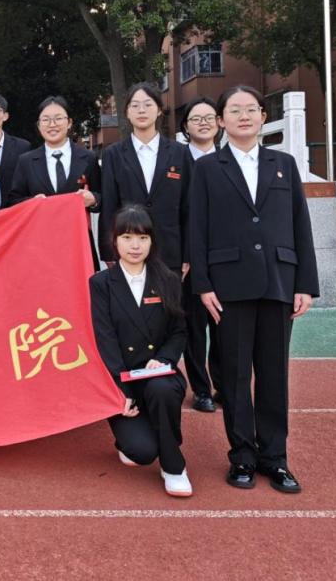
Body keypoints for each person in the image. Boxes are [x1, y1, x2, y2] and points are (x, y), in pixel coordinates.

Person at [189, 85, 319, 493]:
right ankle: (242, 456)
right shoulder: (207, 168)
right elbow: (197, 228)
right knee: (234, 376)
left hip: (279, 282)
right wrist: (203, 284)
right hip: (228, 285)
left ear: (263, 116)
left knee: (274, 375)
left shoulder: (284, 164)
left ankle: (275, 458)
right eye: (234, 110)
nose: (243, 116)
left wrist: (305, 283)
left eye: (251, 109)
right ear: (221, 120)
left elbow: (300, 225)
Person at [90, 205, 191, 497]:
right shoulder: (100, 283)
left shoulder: (168, 279)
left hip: (158, 374)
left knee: (161, 389)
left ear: (152, 241)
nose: (135, 246)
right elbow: (105, 339)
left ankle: (174, 467)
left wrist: (163, 359)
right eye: (127, 237)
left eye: (143, 238)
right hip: (122, 380)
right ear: (114, 241)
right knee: (142, 452)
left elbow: (179, 331)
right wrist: (122, 391)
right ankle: (134, 439)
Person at [99, 81, 192, 276]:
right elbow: (109, 206)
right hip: (128, 251)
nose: (141, 110)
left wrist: (189, 253)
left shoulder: (180, 152)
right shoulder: (113, 154)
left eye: (148, 104)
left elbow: (188, 206)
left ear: (159, 110)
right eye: (135, 105)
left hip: (171, 250)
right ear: (127, 112)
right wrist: (108, 251)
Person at [8, 95, 101, 271]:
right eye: (46, 120)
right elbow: (13, 200)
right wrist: (32, 203)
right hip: (38, 245)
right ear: (39, 125)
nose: (52, 124)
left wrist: (93, 200)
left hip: (78, 242)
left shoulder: (88, 158)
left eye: (58, 118)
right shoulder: (26, 161)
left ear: (69, 122)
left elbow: (102, 196)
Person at [179, 98, 223, 413]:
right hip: (189, 261)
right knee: (193, 328)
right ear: (186, 126)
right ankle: (201, 389)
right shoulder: (176, 160)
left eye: (209, 117)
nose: (203, 123)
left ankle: (223, 385)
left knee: (224, 326)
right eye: (196, 118)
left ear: (219, 122)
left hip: (225, 258)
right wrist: (185, 255)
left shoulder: (230, 160)